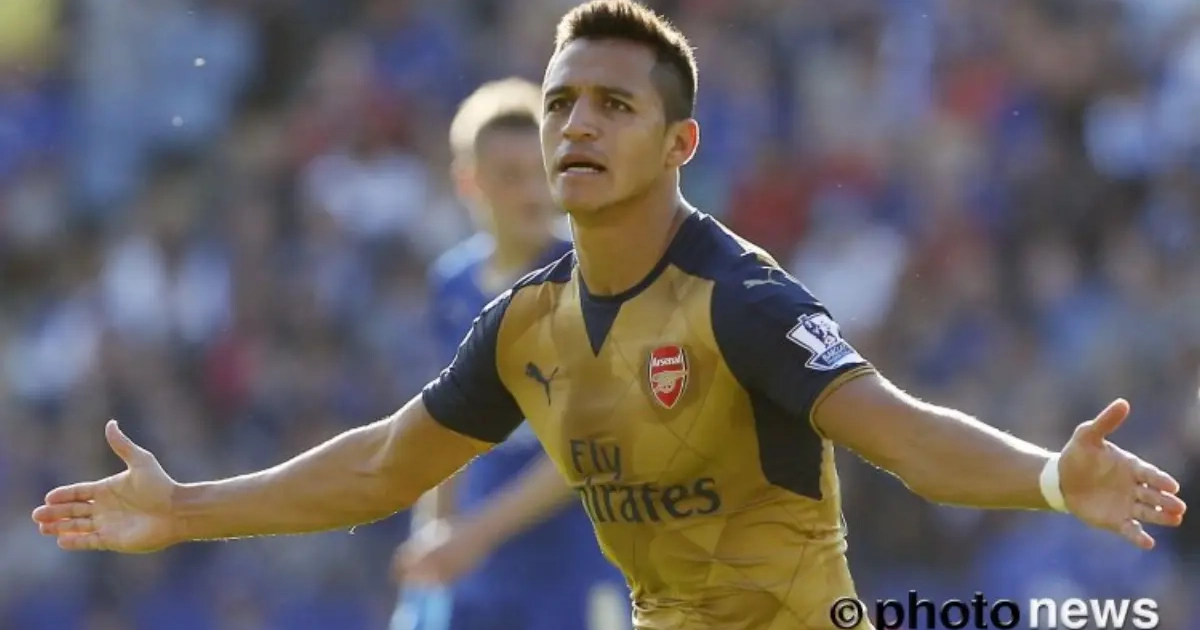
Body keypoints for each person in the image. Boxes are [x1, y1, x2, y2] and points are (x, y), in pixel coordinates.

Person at [32, 2, 1186, 629]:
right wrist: (186, 509)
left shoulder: (739, 299)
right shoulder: (522, 324)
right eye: (560, 103)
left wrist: (1050, 478)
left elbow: (900, 432)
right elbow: (384, 465)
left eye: (615, 105)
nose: (577, 125)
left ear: (681, 143)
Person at [390, 77, 629, 630]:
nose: (533, 193)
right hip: (479, 571)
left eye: (541, 172)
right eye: (510, 176)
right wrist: (433, 539)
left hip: (574, 570)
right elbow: (444, 426)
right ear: (468, 181)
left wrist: (470, 537)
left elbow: (586, 452)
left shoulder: (592, 280)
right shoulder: (452, 284)